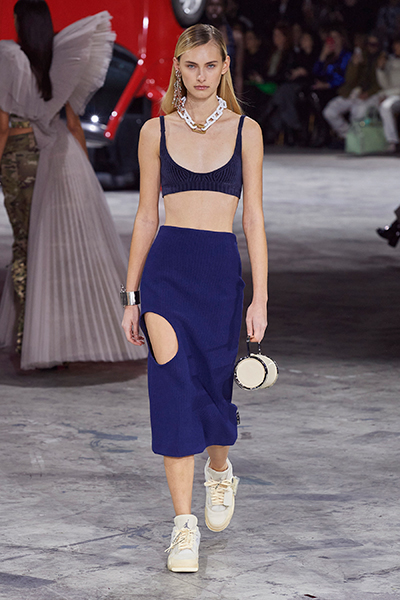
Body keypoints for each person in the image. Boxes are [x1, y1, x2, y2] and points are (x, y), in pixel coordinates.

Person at [121, 23, 268, 572]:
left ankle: (220, 469)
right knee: (173, 386)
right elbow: (145, 216)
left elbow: (253, 219)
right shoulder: (154, 131)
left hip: (219, 276)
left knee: (213, 386)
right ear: (178, 70)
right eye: (191, 65)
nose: (201, 75)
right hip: (167, 274)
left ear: (224, 66)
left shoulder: (245, 130)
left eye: (210, 65)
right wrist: (132, 295)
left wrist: (260, 298)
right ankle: (184, 528)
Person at [0, 0, 147, 369]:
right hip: (54, 158)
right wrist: (84, 173)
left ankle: (29, 339)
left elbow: (2, 126)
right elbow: (72, 123)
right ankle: (52, 341)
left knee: (24, 245)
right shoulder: (58, 64)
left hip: (18, 156)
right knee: (51, 247)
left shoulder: (9, 59)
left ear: (19, 23)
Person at [323, 33, 382, 143]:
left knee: (358, 112)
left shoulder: (382, 58)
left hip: (372, 94)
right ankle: (349, 136)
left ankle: (359, 141)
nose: (371, 47)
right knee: (329, 112)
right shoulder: (360, 56)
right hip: (353, 93)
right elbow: (349, 80)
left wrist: (368, 93)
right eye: (369, 44)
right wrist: (355, 65)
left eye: (374, 44)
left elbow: (381, 83)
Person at [376, 38, 400, 151]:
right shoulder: (390, 61)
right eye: (395, 46)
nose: (396, 48)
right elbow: (385, 85)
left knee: (385, 105)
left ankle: (392, 141)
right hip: (391, 95)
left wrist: (386, 94)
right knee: (375, 105)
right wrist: (380, 69)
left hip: (394, 95)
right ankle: (385, 140)